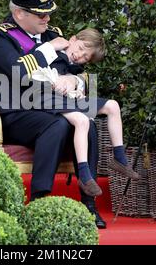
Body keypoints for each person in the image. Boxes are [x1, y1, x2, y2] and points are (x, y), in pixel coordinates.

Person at [0, 0, 106, 228]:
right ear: (18, 13)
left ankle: (89, 205)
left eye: (49, 13)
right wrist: (48, 49)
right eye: (40, 14)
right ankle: (40, 200)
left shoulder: (53, 34)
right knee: (57, 126)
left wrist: (74, 81)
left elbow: (75, 69)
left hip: (51, 105)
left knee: (88, 123)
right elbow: (18, 71)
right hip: (13, 111)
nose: (47, 19)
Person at [31, 28, 140, 197]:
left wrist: (75, 83)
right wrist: (51, 52)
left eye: (85, 57)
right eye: (80, 48)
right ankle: (84, 173)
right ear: (73, 39)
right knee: (82, 121)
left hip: (69, 98)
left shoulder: (77, 67)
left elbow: (83, 81)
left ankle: (119, 157)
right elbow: (32, 65)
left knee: (113, 106)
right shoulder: (53, 49)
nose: (79, 56)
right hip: (45, 99)